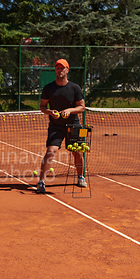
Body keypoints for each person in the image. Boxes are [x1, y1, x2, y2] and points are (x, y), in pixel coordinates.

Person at [36, 58, 87, 193]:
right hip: (55, 126)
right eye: (58, 68)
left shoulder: (75, 88)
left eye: (62, 68)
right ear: (55, 70)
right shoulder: (48, 88)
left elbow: (81, 107)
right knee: (50, 151)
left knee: (78, 152)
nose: (60, 70)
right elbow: (42, 106)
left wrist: (69, 110)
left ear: (67, 70)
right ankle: (41, 181)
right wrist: (50, 112)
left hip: (73, 126)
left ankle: (80, 177)